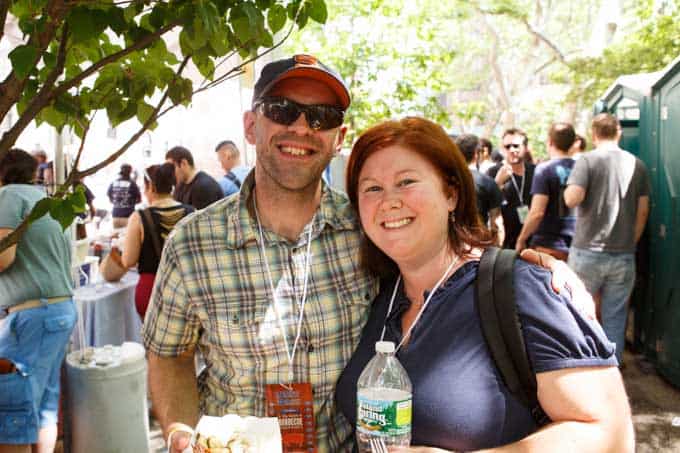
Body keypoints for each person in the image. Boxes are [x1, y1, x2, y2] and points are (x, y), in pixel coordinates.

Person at [144, 55, 596, 453]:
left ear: (338, 137)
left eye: (321, 116)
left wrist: (531, 273)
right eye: (283, 110)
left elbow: (438, 254)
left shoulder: (368, 229)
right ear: (250, 125)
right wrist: (181, 430)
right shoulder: (191, 242)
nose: (302, 127)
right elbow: (169, 354)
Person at [335, 117, 634, 452]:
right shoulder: (376, 294)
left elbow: (609, 434)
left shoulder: (522, 289)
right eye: (372, 188)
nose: (389, 201)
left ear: (451, 194)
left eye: (406, 181)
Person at [0, 148, 78, 453]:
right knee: (44, 405)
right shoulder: (47, 202)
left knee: (12, 410)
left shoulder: (8, 197)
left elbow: (3, 257)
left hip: (33, 314)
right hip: (59, 309)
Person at [565, 113, 650, 364]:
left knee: (577, 312)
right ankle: (611, 368)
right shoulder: (638, 165)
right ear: (619, 132)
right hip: (623, 254)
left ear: (593, 134)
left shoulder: (587, 161)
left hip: (586, 252)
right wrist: (630, 241)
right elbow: (643, 210)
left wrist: (571, 189)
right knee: (615, 316)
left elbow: (572, 198)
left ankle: (580, 366)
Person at [120, 163, 194, 319]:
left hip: (151, 290)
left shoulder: (139, 217)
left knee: (153, 342)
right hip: (187, 290)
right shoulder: (191, 212)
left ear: (151, 187)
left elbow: (128, 260)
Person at [515, 123, 576, 261]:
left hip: (549, 246)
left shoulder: (544, 169)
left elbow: (537, 212)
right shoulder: (581, 168)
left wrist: (521, 239)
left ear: (550, 142)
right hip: (577, 246)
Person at [454, 134, 503, 243]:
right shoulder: (487, 182)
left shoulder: (446, 180)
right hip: (479, 242)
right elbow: (496, 221)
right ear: (476, 154)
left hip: (452, 241)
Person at [495, 128, 535, 250]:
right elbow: (488, 209)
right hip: (506, 244)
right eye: (507, 147)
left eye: (516, 146)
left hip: (534, 242)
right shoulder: (493, 172)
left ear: (526, 147)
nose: (512, 150)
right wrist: (497, 183)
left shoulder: (537, 172)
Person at [107, 163, 142, 228]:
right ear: (130, 172)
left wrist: (118, 203)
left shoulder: (113, 183)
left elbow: (110, 198)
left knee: (117, 237)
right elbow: (139, 200)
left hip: (115, 215)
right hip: (128, 216)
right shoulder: (132, 184)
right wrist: (130, 202)